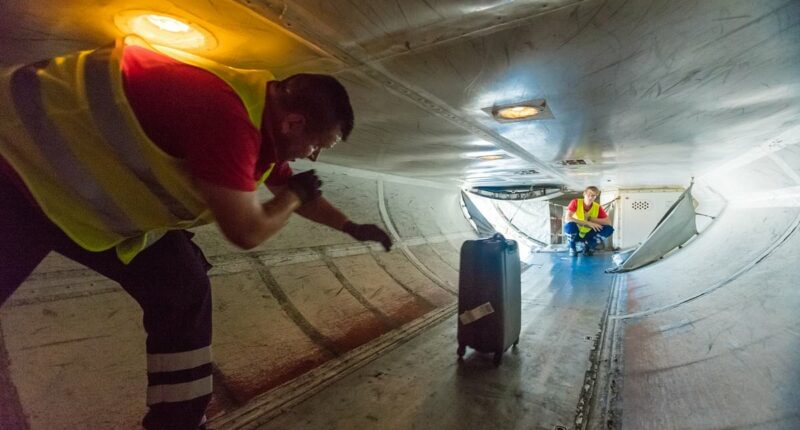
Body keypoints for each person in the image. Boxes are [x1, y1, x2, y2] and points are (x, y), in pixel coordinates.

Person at [0, 38, 392, 429]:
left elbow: (290, 189)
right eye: (317, 146)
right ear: (294, 123)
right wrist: (291, 197)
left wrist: (350, 226)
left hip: (76, 199)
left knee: (181, 281)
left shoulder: (260, 120)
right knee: (179, 281)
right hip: (18, 167)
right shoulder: (227, 119)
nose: (314, 156)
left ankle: (179, 420)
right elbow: (247, 230)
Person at [563, 186, 614, 256]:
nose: (590, 197)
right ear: (584, 194)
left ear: (596, 196)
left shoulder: (597, 207)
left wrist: (590, 218)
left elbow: (608, 222)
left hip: (588, 234)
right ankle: (572, 247)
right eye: (589, 194)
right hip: (576, 233)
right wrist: (588, 223)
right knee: (569, 225)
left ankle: (588, 245)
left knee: (609, 229)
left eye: (593, 195)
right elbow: (567, 218)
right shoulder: (575, 202)